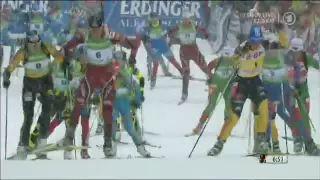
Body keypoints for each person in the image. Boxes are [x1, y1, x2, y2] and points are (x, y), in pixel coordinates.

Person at [59, 14, 139, 159]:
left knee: (107, 110)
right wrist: (65, 55)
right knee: (78, 104)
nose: (95, 32)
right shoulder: (86, 35)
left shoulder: (110, 34)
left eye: (98, 28)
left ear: (102, 26)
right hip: (90, 76)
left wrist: (132, 53)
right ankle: (69, 137)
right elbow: (68, 46)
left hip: (106, 78)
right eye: (93, 29)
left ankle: (107, 144)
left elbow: (129, 43)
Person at [207, 24, 269, 156]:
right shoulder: (242, 48)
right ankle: (219, 144)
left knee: (263, 107)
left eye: (259, 41)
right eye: (255, 41)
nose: (258, 44)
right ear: (250, 39)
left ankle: (261, 139)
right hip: (242, 83)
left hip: (255, 81)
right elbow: (234, 64)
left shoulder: (263, 48)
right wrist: (239, 55)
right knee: (234, 116)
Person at [2, 30, 64, 160]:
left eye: (36, 38)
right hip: (30, 84)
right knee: (28, 116)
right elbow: (11, 66)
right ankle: (22, 145)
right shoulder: (23, 51)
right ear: (28, 40)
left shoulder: (46, 47)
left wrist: (65, 60)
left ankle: (41, 143)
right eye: (31, 39)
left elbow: (59, 57)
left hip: (46, 82)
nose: (34, 42)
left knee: (47, 111)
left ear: (39, 38)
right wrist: (7, 76)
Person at [186, 46, 234, 137]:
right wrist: (209, 76)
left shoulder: (234, 62)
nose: (226, 57)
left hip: (227, 86)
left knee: (229, 105)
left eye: (229, 55)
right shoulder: (217, 61)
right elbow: (208, 68)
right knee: (211, 105)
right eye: (225, 54)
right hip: (214, 85)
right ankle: (199, 127)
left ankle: (226, 128)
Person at [285, 38, 320, 156]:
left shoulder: (306, 57)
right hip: (290, 90)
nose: (295, 54)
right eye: (293, 51)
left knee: (304, 115)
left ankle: (308, 143)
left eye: (297, 51)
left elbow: (317, 65)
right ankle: (297, 139)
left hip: (303, 90)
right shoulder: (286, 58)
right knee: (294, 115)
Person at [111, 50, 150, 157]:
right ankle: (112, 148)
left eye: (120, 60)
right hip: (113, 103)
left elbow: (135, 86)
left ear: (124, 61)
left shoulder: (127, 72)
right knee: (112, 125)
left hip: (124, 103)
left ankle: (141, 148)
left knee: (129, 127)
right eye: (116, 60)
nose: (118, 63)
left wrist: (138, 99)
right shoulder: (111, 72)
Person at [167, 9, 211, 102]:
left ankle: (213, 85)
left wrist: (206, 34)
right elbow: (171, 33)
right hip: (184, 51)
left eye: (187, 18)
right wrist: (170, 32)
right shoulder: (179, 25)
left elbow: (203, 30)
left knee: (204, 67)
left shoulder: (194, 24)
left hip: (193, 49)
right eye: (184, 19)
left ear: (190, 18)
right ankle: (184, 93)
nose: (186, 20)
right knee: (185, 73)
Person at [136, 12, 183, 89]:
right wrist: (144, 39)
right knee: (155, 64)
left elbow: (170, 32)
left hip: (163, 47)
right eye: (152, 19)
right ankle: (153, 80)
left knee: (173, 60)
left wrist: (176, 29)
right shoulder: (147, 28)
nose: (154, 21)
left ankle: (183, 73)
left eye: (155, 19)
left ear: (158, 18)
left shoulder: (163, 26)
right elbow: (140, 34)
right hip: (155, 49)